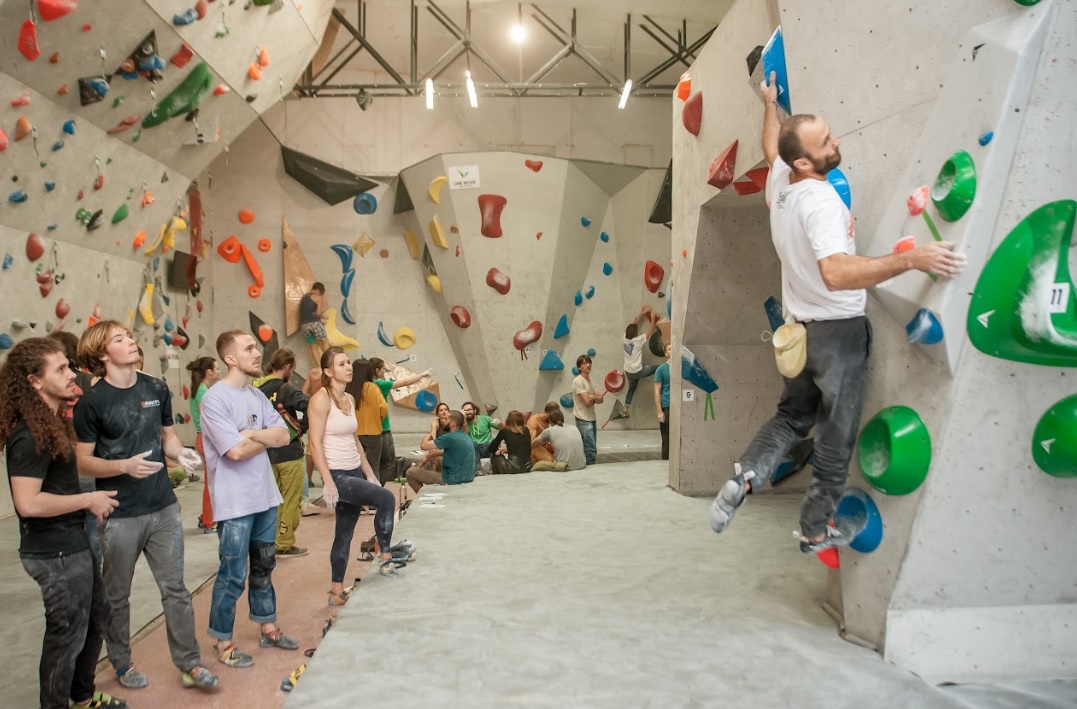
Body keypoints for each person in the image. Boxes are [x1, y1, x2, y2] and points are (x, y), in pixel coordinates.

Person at [709, 72, 966, 553]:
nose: (837, 142)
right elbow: (836, 273)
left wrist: (769, 105)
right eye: (826, 141)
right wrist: (913, 259)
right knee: (835, 436)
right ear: (805, 162)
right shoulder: (820, 202)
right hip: (838, 335)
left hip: (799, 335)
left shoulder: (782, 180)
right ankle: (814, 529)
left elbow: (771, 146)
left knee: (791, 417)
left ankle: (745, 475)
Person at [73, 321, 218, 690]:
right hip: (119, 513)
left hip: (163, 506)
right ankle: (122, 663)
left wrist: (181, 453)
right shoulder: (92, 402)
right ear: (102, 354)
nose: (131, 341)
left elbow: (167, 438)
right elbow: (82, 462)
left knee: (175, 589)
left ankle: (190, 663)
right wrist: (123, 466)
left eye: (129, 335)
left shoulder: (156, 387)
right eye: (119, 339)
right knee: (117, 595)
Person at [1, 338, 128, 709]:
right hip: (52, 553)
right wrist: (87, 500)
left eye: (68, 366)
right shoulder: (29, 436)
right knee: (66, 637)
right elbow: (27, 503)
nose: (72, 374)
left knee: (97, 617)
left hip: (71, 542)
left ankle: (81, 697)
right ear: (35, 381)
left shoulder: (51, 423)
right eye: (60, 369)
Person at [199, 330, 301, 667]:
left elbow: (285, 435)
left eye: (256, 347)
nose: (257, 353)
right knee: (232, 574)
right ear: (230, 358)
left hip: (265, 498)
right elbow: (236, 452)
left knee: (264, 567)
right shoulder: (215, 399)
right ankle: (223, 641)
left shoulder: (257, 395)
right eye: (249, 348)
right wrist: (262, 439)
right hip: (235, 504)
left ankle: (267, 627)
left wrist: (252, 434)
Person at [307, 347, 403, 593]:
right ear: (329, 371)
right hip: (338, 475)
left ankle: (336, 590)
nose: (348, 367)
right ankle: (385, 558)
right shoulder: (320, 399)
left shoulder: (349, 398)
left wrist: (369, 474)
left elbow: (356, 442)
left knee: (344, 534)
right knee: (386, 499)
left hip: (354, 472)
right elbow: (314, 443)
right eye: (341, 364)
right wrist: (328, 482)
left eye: (348, 362)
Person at [47, 331, 103, 562]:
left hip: (59, 463)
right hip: (86, 459)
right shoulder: (91, 382)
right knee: (93, 523)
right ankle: (92, 568)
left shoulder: (47, 385)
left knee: (65, 524)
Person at [253, 348, 311, 558]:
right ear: (287, 367)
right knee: (291, 499)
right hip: (289, 452)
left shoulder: (256, 389)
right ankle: (284, 543)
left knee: (274, 499)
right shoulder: (286, 390)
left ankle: (272, 538)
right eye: (292, 369)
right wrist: (302, 427)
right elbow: (311, 405)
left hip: (265, 452)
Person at [370, 357, 431, 484]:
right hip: (383, 428)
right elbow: (406, 382)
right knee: (388, 462)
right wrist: (422, 374)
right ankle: (383, 488)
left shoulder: (363, 385)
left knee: (373, 463)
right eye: (383, 369)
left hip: (369, 430)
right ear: (376, 370)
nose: (384, 371)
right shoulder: (380, 384)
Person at [406, 410, 476, 493]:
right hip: (468, 477)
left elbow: (424, 446)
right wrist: (429, 456)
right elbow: (453, 451)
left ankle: (424, 495)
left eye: (446, 419)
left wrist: (430, 433)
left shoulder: (449, 437)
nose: (443, 420)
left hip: (452, 479)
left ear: (452, 424)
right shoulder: (465, 436)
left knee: (411, 472)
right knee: (438, 459)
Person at [187, 356, 219, 533]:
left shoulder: (201, 389)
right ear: (209, 372)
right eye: (217, 368)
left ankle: (205, 517)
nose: (219, 371)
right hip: (206, 439)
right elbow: (208, 419)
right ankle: (209, 520)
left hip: (204, 438)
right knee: (212, 483)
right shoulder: (202, 392)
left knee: (212, 481)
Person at [344, 359, 389, 483]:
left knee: (355, 467)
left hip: (354, 434)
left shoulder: (348, 388)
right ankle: (374, 493)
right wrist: (378, 419)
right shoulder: (372, 387)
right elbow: (384, 408)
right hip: (373, 433)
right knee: (373, 468)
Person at [622, 305, 659, 414]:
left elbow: (634, 323)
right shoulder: (638, 341)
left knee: (632, 389)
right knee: (659, 368)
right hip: (638, 371)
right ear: (636, 334)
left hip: (628, 371)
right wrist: (653, 317)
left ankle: (625, 407)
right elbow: (650, 331)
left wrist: (642, 313)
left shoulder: (624, 338)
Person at [572, 354, 604, 465]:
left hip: (591, 418)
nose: (588, 365)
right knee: (590, 449)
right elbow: (587, 402)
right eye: (584, 363)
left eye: (589, 362)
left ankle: (589, 467)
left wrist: (592, 397)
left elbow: (601, 399)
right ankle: (590, 470)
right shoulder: (578, 381)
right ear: (579, 367)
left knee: (591, 448)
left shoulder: (591, 381)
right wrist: (594, 398)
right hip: (583, 419)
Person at [486, 410, 531, 475]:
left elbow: (491, 448)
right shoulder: (526, 430)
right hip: (527, 467)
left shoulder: (505, 431)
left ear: (508, 420)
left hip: (512, 467)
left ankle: (496, 475)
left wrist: (498, 450)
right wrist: (504, 450)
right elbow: (521, 448)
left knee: (495, 455)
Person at [299, 282, 328, 369]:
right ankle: (328, 363)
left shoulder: (304, 297)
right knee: (325, 341)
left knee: (313, 346)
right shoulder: (318, 297)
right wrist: (323, 317)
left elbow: (307, 311)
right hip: (314, 324)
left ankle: (319, 367)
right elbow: (318, 313)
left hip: (304, 326)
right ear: (320, 291)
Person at [654, 343, 672, 461]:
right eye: (670, 349)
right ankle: (665, 462)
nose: (673, 350)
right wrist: (659, 411)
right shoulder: (661, 369)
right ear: (666, 353)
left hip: (680, 407)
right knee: (667, 438)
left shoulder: (683, 368)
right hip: (667, 406)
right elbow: (657, 391)